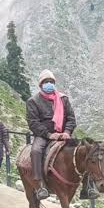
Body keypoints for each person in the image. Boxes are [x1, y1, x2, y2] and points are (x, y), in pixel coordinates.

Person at [26, 70, 78, 200]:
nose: (49, 84)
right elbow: (33, 123)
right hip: (44, 135)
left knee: (84, 150)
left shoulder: (63, 99)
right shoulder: (33, 101)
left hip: (64, 134)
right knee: (36, 151)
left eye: (51, 82)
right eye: (46, 82)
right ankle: (40, 185)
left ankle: (88, 187)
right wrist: (49, 134)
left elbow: (71, 118)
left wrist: (67, 132)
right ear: (41, 84)